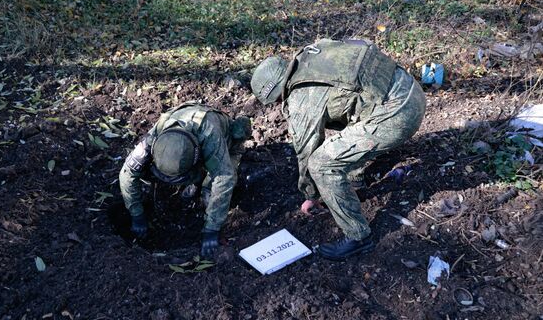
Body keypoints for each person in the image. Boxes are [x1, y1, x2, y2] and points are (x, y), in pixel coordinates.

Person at [250, 39, 426, 261]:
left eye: (276, 102)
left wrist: (311, 194)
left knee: (321, 165)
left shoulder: (301, 96)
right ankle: (354, 178)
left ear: (277, 93)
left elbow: (306, 150)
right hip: (411, 91)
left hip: (399, 115)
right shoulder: (312, 55)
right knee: (346, 114)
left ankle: (358, 237)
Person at [119, 102, 251, 258]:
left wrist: (212, 229)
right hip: (189, 131)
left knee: (209, 193)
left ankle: (202, 181)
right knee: (144, 172)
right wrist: (137, 214)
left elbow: (224, 178)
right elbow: (128, 171)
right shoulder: (156, 135)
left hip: (221, 139)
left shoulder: (210, 136)